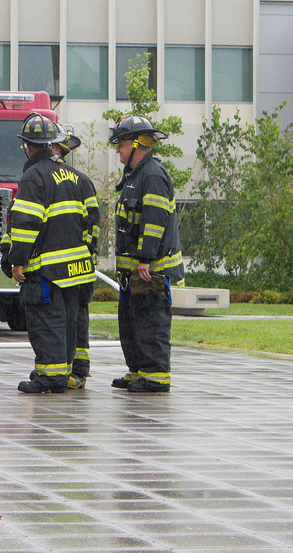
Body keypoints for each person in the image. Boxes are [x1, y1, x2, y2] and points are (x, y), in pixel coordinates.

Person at [4, 113, 98, 393]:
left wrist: (16, 260)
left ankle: (50, 377)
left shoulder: (34, 177)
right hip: (77, 270)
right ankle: (63, 373)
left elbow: (25, 224)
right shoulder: (79, 178)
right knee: (70, 323)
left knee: (47, 322)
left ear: (28, 146)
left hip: (47, 272)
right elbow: (92, 224)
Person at [109, 115, 184, 393]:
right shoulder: (135, 175)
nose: (118, 149)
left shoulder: (151, 175)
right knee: (132, 323)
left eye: (121, 143)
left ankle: (155, 376)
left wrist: (146, 259)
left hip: (149, 270)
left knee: (151, 323)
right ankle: (138, 371)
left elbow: (154, 221)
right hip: (134, 272)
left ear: (137, 144)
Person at [49, 125, 97, 389]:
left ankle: (78, 370)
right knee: (71, 317)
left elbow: (93, 223)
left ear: (58, 149)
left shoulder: (78, 181)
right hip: (76, 265)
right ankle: (72, 369)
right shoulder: (78, 180)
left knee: (77, 317)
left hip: (78, 266)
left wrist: (86, 253)